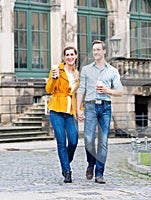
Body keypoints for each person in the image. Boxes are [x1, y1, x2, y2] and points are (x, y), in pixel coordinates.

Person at [76, 40, 123, 184]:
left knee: (103, 141)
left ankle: (99, 173)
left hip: (105, 107)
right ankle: (91, 163)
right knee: (89, 140)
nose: (95, 52)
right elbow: (81, 89)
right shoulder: (86, 70)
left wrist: (107, 91)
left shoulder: (112, 71)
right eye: (94, 50)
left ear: (104, 51)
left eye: (98, 50)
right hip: (90, 106)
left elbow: (120, 92)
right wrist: (78, 108)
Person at [45, 46, 80, 183]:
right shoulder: (57, 70)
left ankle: (65, 160)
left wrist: (79, 110)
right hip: (56, 110)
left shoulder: (77, 74)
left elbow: (77, 94)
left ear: (76, 56)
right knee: (61, 142)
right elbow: (49, 89)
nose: (70, 57)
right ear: (64, 57)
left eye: (72, 54)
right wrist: (54, 78)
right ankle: (66, 171)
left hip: (70, 111)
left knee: (73, 140)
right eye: (67, 55)